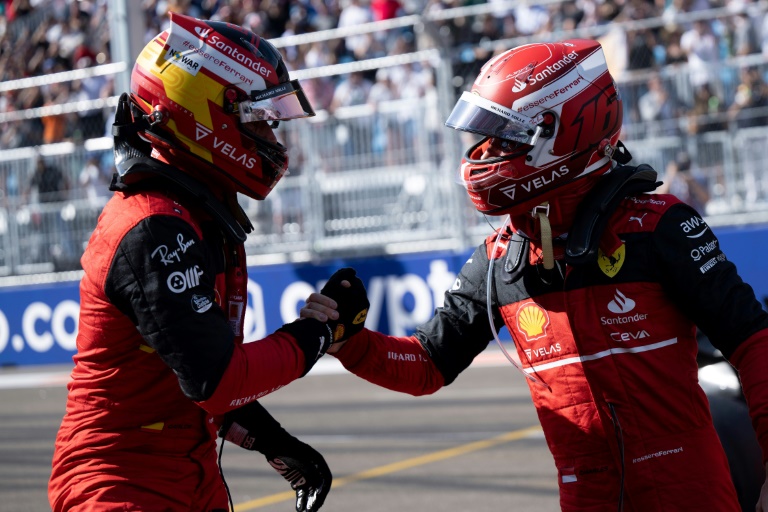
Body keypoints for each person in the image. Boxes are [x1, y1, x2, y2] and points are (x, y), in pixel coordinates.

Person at [302, 39, 768, 511]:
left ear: (565, 129)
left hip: (689, 492)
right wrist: (350, 342)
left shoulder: (658, 226)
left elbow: (754, 340)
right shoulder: (499, 257)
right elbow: (428, 364)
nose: (484, 151)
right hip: (587, 497)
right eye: (485, 135)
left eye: (505, 135)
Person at [48, 13, 357, 512]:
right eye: (259, 118)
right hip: (118, 483)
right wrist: (315, 336)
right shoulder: (152, 227)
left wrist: (275, 444)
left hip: (188, 473)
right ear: (204, 113)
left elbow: (191, 372)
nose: (273, 138)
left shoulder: (195, 210)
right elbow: (217, 381)